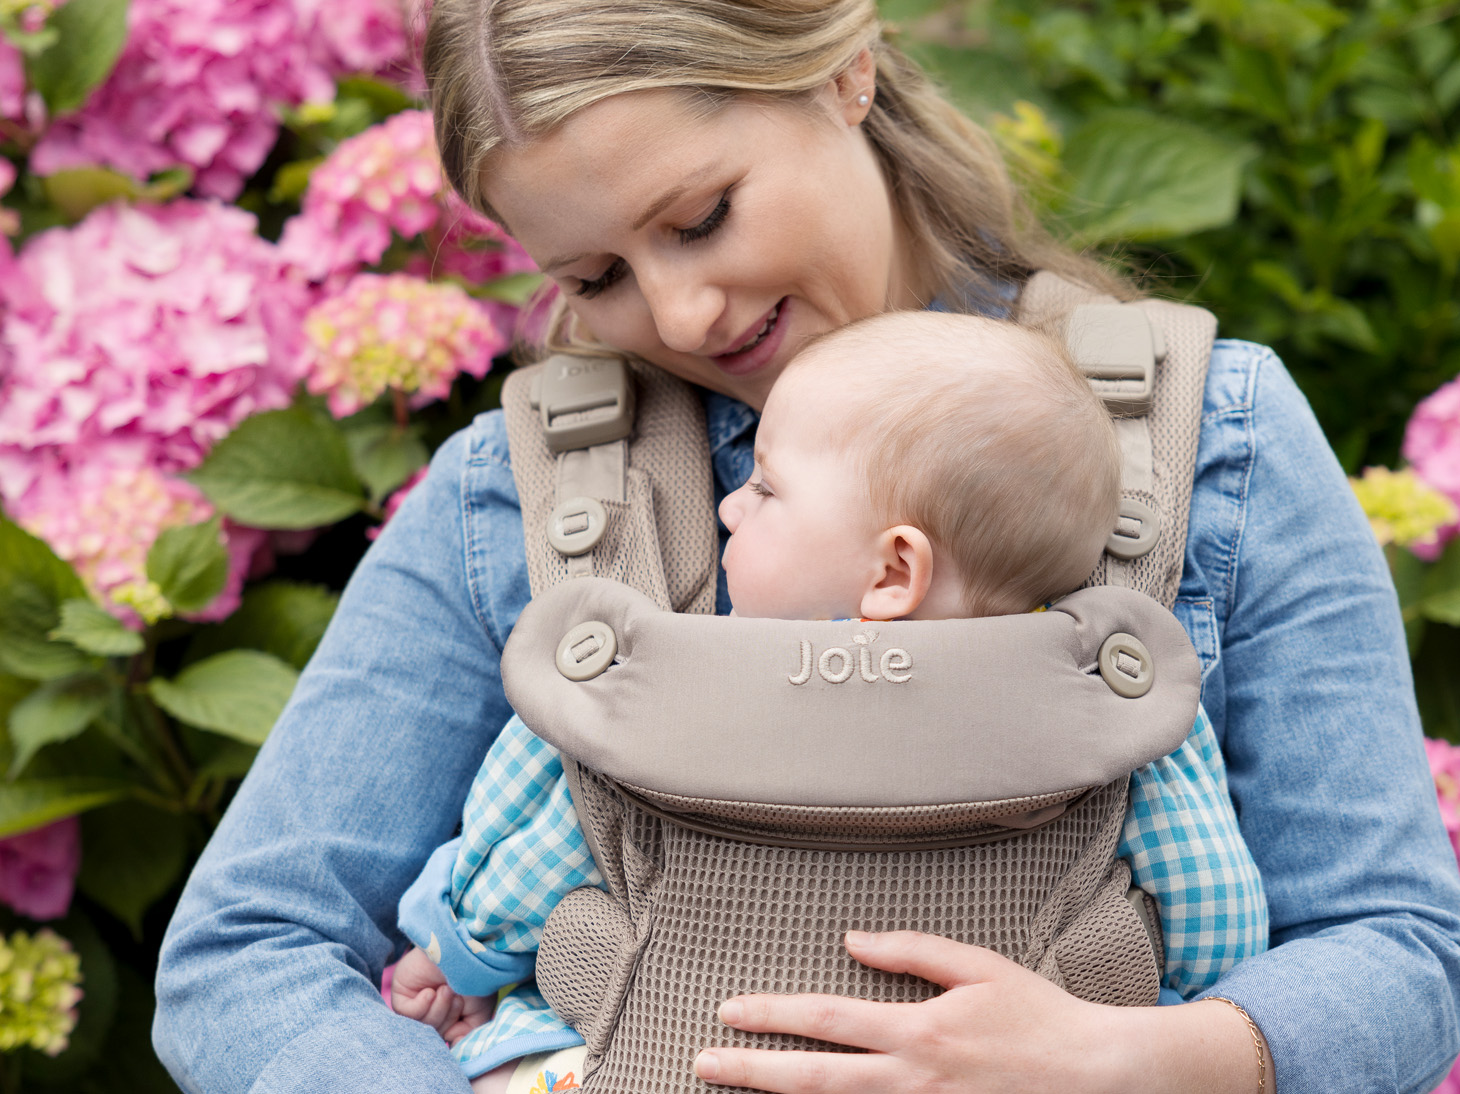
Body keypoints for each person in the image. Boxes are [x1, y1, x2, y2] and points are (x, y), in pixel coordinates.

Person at [151, 2, 1460, 1092]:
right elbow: (246, 951)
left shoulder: (1202, 444)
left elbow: (1401, 947)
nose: (678, 310)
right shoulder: (521, 498)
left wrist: (1126, 1058)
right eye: (594, 276)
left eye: (701, 214)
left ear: (847, 70)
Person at [386, 311, 1266, 1092]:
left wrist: (457, 951)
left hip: (667, 1049)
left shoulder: (672, 671)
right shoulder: (1105, 699)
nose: (733, 505)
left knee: (520, 1061)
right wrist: (1184, 1012)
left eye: (767, 488)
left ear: (893, 571)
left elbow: (535, 846)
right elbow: (1210, 898)